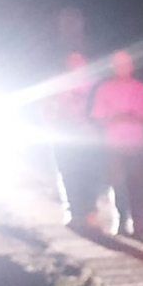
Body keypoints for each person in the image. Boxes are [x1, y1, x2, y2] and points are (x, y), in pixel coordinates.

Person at [91, 50, 143, 236]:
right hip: (114, 144)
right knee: (118, 184)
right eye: (119, 65)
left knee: (137, 183)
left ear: (131, 66)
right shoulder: (105, 89)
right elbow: (98, 117)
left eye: (126, 64)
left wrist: (133, 116)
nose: (123, 68)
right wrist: (115, 118)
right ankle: (121, 221)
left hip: (136, 143)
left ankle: (139, 222)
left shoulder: (140, 88)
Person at [44, 51, 100, 229]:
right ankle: (74, 213)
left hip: (87, 135)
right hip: (64, 135)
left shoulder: (93, 84)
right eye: (72, 61)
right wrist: (51, 124)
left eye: (79, 61)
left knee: (89, 174)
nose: (76, 65)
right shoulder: (59, 83)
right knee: (69, 174)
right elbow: (47, 107)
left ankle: (90, 213)